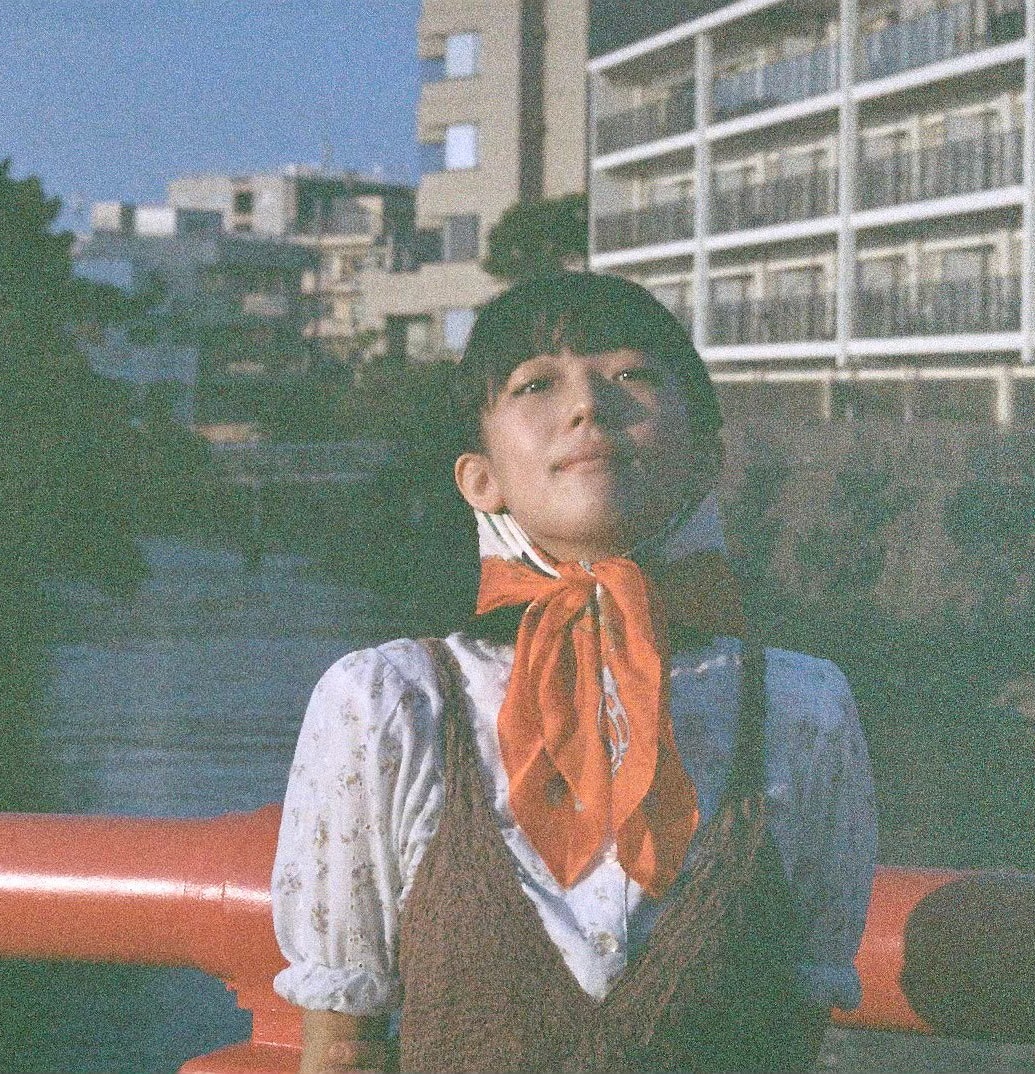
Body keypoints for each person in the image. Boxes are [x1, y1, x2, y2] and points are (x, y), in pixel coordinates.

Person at [271, 271, 877, 1073]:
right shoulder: (390, 706)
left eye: (632, 374)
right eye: (536, 384)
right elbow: (341, 1047)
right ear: (480, 478)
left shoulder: (802, 709)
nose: (589, 404)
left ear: (707, 457)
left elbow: (795, 1027)